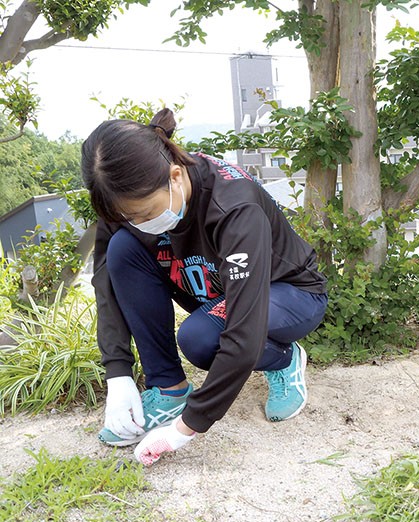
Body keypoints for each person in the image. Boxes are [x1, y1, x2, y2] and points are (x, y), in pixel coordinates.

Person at [82, 109, 328, 465]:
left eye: (147, 214)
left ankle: (285, 360)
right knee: (122, 248)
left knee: (200, 339)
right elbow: (106, 282)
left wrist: (185, 428)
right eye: (128, 218)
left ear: (176, 176)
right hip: (219, 292)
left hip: (289, 293)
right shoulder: (126, 201)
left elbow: (243, 334)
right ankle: (167, 389)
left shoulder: (233, 205)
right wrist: (117, 374)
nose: (141, 224)